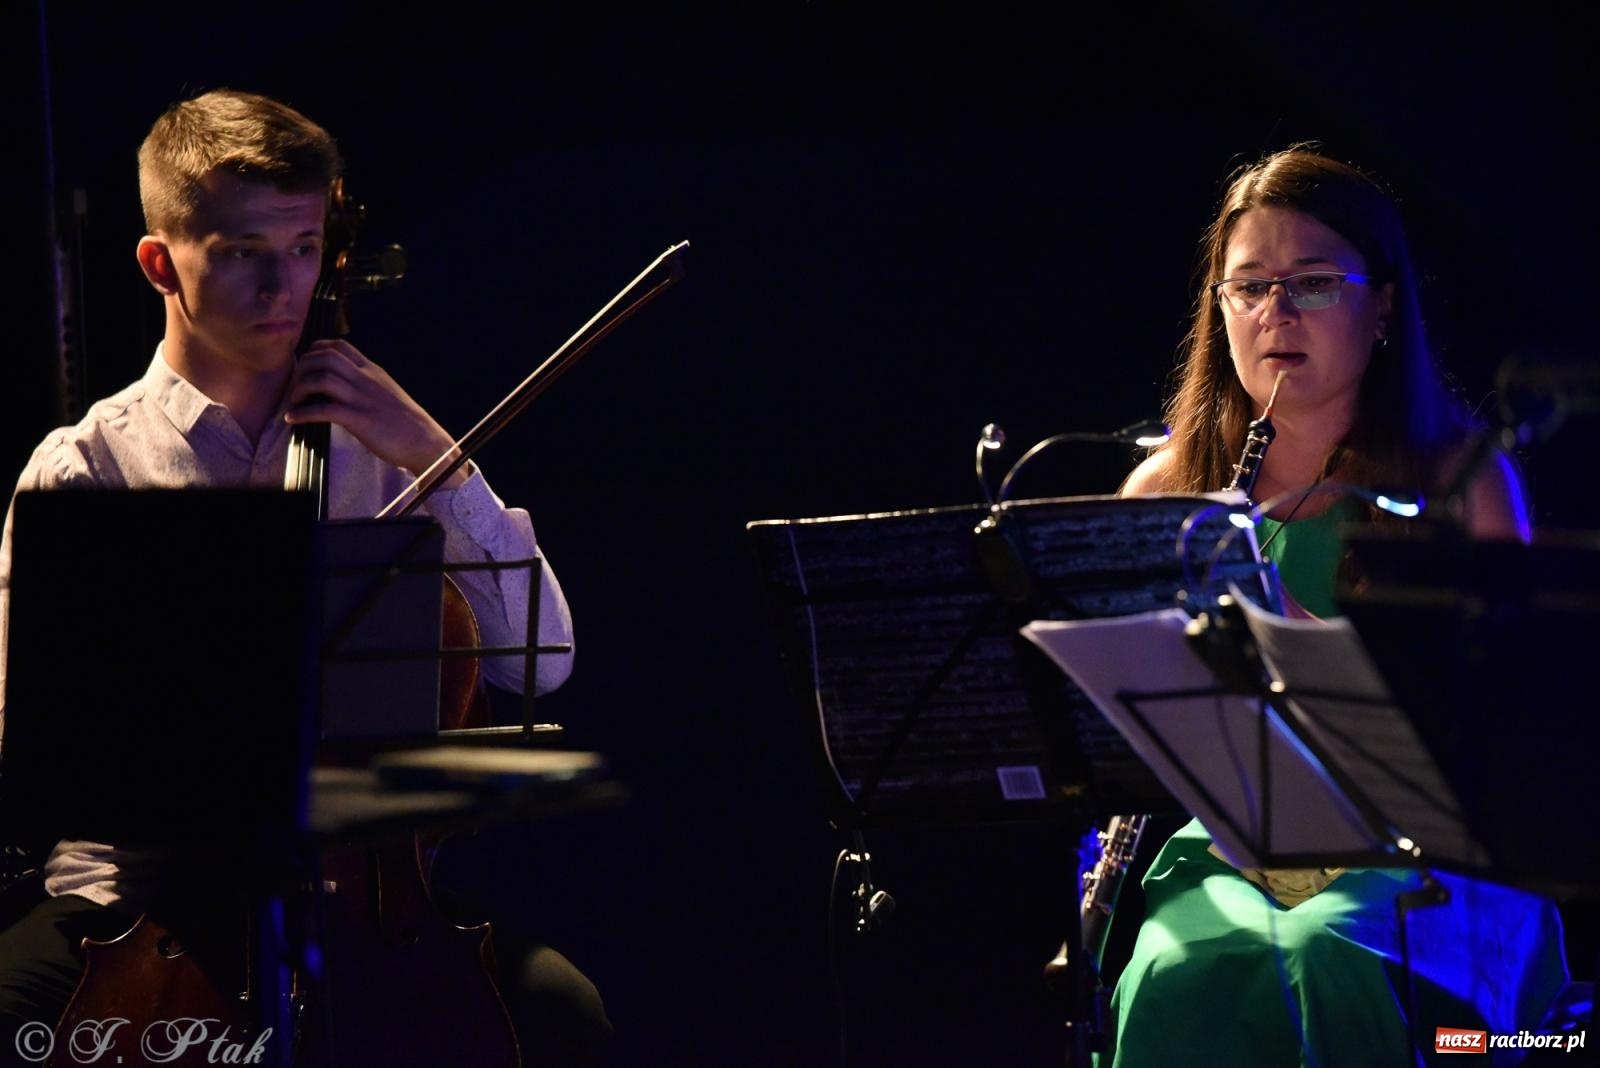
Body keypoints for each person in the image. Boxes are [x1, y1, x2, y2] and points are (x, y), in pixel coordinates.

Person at [0, 90, 607, 1064]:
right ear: (162, 263)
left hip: (365, 900)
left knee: (563, 1015)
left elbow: (544, 662)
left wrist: (433, 455)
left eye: (303, 246)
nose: (283, 285)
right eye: (242, 252)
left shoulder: (389, 449)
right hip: (143, 901)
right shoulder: (85, 470)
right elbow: (39, 749)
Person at [1111, 147, 1567, 1065]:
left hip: (1430, 861)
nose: (1276, 313)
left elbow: (1518, 731)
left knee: (1325, 959)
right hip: (1237, 850)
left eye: (1313, 284)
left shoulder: (1463, 485)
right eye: (1249, 288)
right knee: (1174, 969)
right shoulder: (1167, 489)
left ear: (1384, 304)